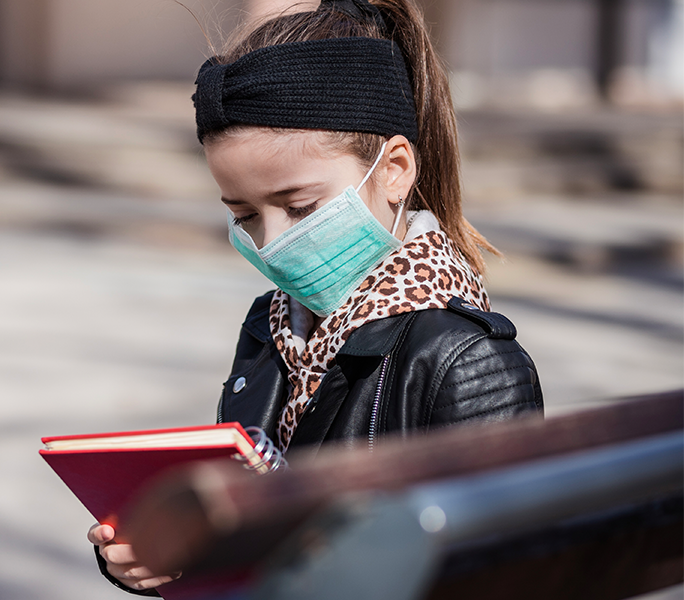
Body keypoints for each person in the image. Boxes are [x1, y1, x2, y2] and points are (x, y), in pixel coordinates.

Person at [87, 0, 545, 594]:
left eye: (300, 207)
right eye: (244, 214)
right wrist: (162, 552)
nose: (273, 243)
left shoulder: (467, 363)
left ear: (395, 169)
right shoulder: (270, 325)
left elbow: (498, 575)